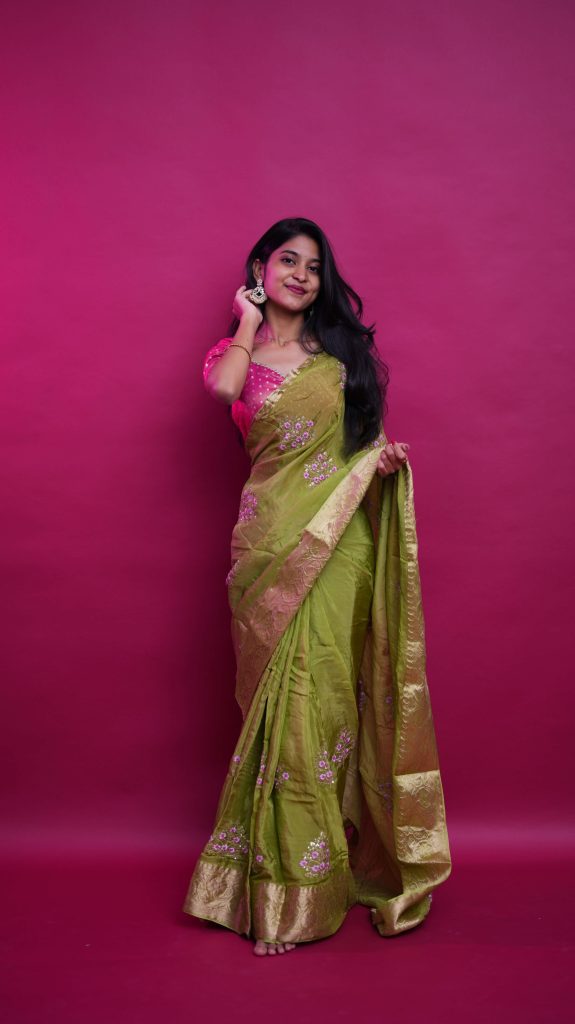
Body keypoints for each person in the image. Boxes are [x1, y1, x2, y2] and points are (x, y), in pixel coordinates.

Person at [182, 217, 452, 957]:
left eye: (312, 266)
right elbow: (223, 390)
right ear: (260, 269)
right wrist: (246, 321)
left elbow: (358, 448)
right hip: (269, 541)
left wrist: (380, 463)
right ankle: (272, 885)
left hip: (339, 545)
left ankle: (304, 885)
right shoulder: (234, 353)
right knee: (277, 704)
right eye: (286, 261)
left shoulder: (340, 359)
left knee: (318, 700)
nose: (301, 275)